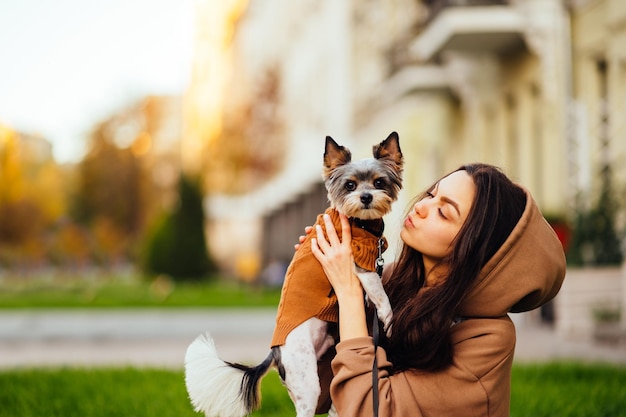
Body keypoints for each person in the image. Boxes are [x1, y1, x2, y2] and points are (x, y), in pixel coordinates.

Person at [306, 163, 566, 417]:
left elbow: (368, 410)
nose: (420, 207)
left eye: (444, 212)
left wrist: (348, 291)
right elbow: (318, 395)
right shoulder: (390, 282)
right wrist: (319, 276)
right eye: (431, 194)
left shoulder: (487, 338)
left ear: (476, 247)